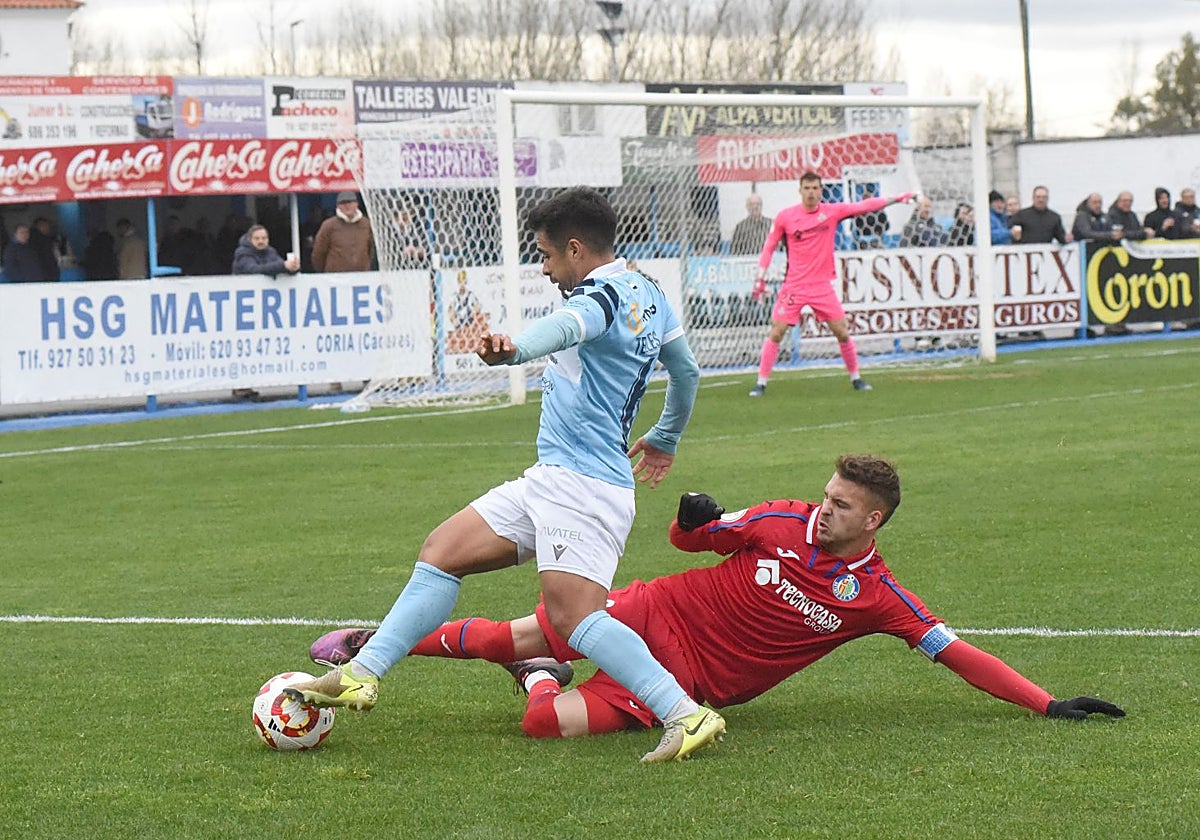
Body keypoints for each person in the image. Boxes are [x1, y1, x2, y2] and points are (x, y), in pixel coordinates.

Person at [284, 186, 726, 763]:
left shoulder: (600, 297)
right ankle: (361, 674)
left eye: (545, 256)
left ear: (574, 249)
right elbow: (686, 371)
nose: (543, 269)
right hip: (553, 478)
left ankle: (684, 714)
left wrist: (513, 349)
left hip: (585, 489)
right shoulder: (649, 290)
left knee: (574, 619)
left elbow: (566, 328)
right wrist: (665, 436)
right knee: (442, 550)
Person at [310, 455, 1126, 742]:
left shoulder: (877, 597)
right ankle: (368, 642)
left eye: (840, 504)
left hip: (697, 682)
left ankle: (538, 676)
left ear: (872, 520)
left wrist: (1045, 703)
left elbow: (958, 655)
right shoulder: (776, 520)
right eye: (825, 493)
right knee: (512, 635)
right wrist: (695, 523)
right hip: (654, 615)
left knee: (538, 720)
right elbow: (691, 543)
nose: (822, 507)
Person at [747, 172, 914, 397]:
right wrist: (760, 277)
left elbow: (864, 206)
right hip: (794, 285)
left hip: (821, 286)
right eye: (807, 188)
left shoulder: (831, 212)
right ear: (800, 190)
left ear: (821, 190)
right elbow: (769, 247)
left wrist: (898, 198)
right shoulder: (786, 217)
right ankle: (761, 383)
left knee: (842, 332)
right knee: (776, 331)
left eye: (815, 188)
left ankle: (856, 378)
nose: (811, 193)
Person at [312, 192, 374, 273]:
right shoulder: (328, 225)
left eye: (350, 202)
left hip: (363, 277)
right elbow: (319, 253)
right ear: (337, 206)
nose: (347, 206)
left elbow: (371, 250)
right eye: (343, 203)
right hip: (335, 279)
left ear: (356, 204)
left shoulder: (366, 224)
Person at [231, 224, 299, 276]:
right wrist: (283, 266)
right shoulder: (243, 253)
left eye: (264, 238)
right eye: (257, 238)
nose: (261, 241)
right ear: (249, 240)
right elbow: (253, 270)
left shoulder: (271, 252)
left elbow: (280, 265)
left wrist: (292, 268)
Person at [853, 183, 890, 248]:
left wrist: (878, 232)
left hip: (875, 239)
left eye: (868, 196)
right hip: (863, 240)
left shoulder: (879, 211)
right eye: (864, 196)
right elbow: (855, 228)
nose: (866, 198)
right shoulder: (858, 212)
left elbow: (886, 226)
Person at [30, 217, 61, 281]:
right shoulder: (42, 241)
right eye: (46, 226)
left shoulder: (46, 239)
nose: (48, 228)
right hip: (46, 275)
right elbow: (48, 258)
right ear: (39, 226)